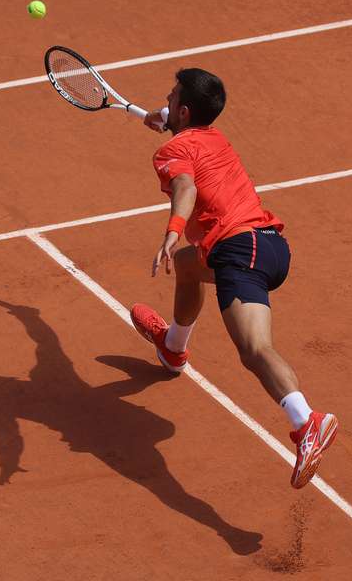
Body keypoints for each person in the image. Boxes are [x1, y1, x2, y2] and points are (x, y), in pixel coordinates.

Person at [130, 68, 338, 489]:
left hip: (240, 252)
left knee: (254, 350)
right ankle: (173, 349)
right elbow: (186, 135)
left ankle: (306, 423)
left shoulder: (171, 153)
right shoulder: (212, 135)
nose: (165, 101)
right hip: (272, 247)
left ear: (184, 111)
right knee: (189, 267)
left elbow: (185, 188)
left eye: (171, 98)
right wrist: (165, 116)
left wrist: (172, 232)